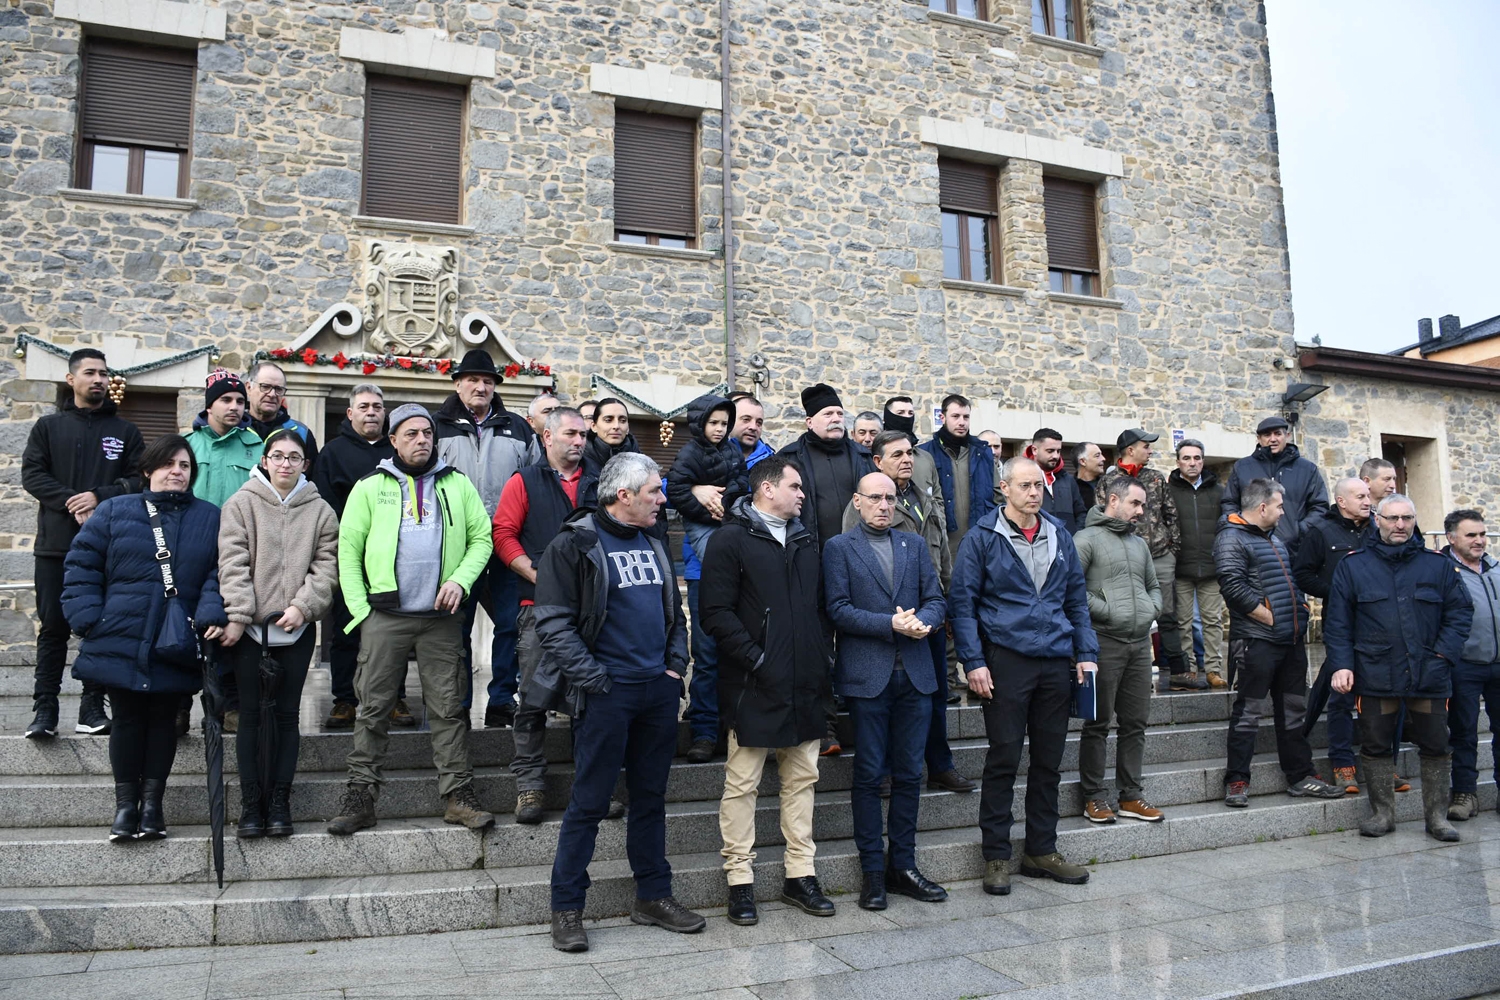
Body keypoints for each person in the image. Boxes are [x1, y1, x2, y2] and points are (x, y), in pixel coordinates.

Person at [533, 452, 703, 952]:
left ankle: (653, 896)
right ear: (623, 495)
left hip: (657, 690)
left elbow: (673, 613)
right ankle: (566, 908)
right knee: (587, 803)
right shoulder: (575, 542)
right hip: (607, 693)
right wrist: (596, 679)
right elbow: (553, 623)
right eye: (654, 490)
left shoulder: (653, 538)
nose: (662, 498)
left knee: (650, 799)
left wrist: (675, 668)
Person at [326, 404, 496, 837]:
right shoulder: (370, 486)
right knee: (373, 709)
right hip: (384, 616)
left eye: (427, 433)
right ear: (394, 440)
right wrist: (362, 612)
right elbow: (348, 550)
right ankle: (361, 797)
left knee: (448, 710)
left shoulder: (457, 484)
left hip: (440, 619)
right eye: (412, 434)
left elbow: (482, 538)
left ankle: (458, 797)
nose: (422, 440)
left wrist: (460, 580)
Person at [61, 435, 227, 842]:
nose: (177, 471)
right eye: (169, 464)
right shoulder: (115, 511)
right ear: (148, 470)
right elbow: (83, 565)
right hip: (121, 634)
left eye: (185, 466)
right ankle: (124, 808)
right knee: (127, 719)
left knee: (163, 722)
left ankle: (152, 807)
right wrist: (89, 619)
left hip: (176, 639)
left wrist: (209, 611)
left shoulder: (210, 517)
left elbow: (218, 572)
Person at [949, 457, 1097, 895]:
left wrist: (1085, 652)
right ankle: (996, 855)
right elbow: (963, 604)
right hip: (1006, 661)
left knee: (1049, 761)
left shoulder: (1059, 535)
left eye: (1039, 486)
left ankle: (1041, 851)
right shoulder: (981, 538)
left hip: (1055, 661)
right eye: (1025, 485)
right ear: (1004, 488)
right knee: (1004, 759)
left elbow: (1077, 601)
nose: (1034, 493)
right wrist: (973, 661)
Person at [701, 456, 837, 926]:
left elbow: (818, 610)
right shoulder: (729, 540)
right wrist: (758, 659)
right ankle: (739, 880)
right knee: (742, 785)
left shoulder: (805, 541)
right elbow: (715, 614)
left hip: (805, 684)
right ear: (767, 489)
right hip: (752, 684)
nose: (803, 495)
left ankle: (801, 875)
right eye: (795, 487)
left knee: (802, 781)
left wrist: (821, 659)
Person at [824, 472, 949, 910]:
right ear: (857, 502)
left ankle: (904, 866)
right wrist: (889, 624)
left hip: (915, 675)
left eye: (889, 498)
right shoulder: (839, 548)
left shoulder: (913, 545)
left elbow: (936, 598)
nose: (883, 505)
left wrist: (925, 622)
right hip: (868, 678)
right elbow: (837, 610)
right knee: (869, 773)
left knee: (911, 773)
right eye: (874, 498)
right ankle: (872, 872)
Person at [1327, 493, 1473, 841]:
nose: (1400, 525)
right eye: (1392, 518)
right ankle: (1382, 814)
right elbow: (1338, 623)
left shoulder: (1436, 566)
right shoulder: (1353, 565)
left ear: (1414, 520)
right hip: (1375, 673)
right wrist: (1342, 665)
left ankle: (1437, 818)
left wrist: (1443, 656)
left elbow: (1460, 613)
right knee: (1376, 744)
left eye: (1406, 518)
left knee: (1437, 744)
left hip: (1430, 672)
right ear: (1377, 519)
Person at [216, 429, 339, 838]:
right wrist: (241, 612)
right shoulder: (241, 504)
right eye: (278, 456)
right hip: (251, 631)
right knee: (251, 716)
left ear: (305, 464)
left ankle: (280, 802)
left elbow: (326, 566)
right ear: (265, 460)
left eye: (294, 457)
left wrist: (303, 607)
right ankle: (253, 805)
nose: (286, 464)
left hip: (296, 630)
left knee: (286, 717)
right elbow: (232, 562)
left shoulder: (320, 511)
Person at [22, 347, 143, 739]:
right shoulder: (48, 427)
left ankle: (92, 708)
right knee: (54, 629)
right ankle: (45, 711)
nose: (98, 380)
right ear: (71, 379)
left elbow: (139, 480)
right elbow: (32, 475)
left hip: (108, 549)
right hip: (55, 547)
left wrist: (98, 497)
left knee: (100, 629)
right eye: (90, 373)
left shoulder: (125, 432)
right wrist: (70, 501)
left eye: (104, 373)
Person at [842, 432, 972, 791]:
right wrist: (889, 622)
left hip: (927, 615)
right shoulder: (864, 507)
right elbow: (856, 564)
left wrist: (942, 606)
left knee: (934, 697)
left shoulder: (922, 495)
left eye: (911, 452)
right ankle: (883, 769)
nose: (907, 459)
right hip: (887, 625)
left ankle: (940, 764)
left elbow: (941, 550)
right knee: (885, 697)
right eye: (897, 453)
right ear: (877, 461)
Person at [492, 407, 598, 824]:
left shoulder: (601, 482)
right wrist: (539, 577)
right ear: (547, 436)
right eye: (571, 433)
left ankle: (591, 788)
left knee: (589, 699)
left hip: (591, 610)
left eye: (584, 435)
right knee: (533, 700)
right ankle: (530, 786)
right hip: (536, 608)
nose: (579, 441)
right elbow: (503, 534)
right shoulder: (524, 481)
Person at [1215, 479, 1344, 809]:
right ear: (1262, 508)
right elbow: (1233, 586)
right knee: (1248, 713)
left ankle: (1301, 776)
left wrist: (1297, 612)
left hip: (1290, 642)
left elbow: (1289, 581)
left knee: (1293, 712)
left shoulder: (1273, 538)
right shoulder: (1231, 537)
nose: (1284, 512)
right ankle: (1237, 780)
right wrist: (1269, 618)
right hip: (1258, 643)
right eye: (1279, 506)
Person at [434, 349, 539, 730]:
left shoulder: (518, 427)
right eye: (473, 380)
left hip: (508, 540)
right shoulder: (436, 426)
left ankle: (500, 700)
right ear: (457, 383)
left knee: (510, 623)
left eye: (488, 381)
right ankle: (458, 702)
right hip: (457, 545)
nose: (481, 387)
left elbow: (534, 481)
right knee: (456, 625)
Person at [778, 383, 874, 755]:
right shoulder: (791, 458)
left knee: (860, 645)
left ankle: (863, 726)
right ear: (809, 421)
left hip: (860, 566)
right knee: (817, 649)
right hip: (810, 568)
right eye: (828, 415)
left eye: (839, 414)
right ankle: (827, 728)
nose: (836, 419)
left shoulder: (863, 457)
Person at [1074, 476, 1164, 824]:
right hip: (1104, 643)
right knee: (1097, 723)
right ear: (1114, 500)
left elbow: (1154, 586)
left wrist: (1149, 608)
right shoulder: (1086, 540)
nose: (1141, 511)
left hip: (1139, 643)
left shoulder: (1139, 544)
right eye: (1136, 504)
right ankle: (1094, 796)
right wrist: (1109, 611)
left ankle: (1131, 795)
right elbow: (1070, 590)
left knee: (1135, 723)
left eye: (1143, 505)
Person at [313, 383, 401, 729]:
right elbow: (325, 503)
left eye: (377, 407)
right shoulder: (332, 453)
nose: (371, 412)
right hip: (349, 555)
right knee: (347, 629)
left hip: (393, 557)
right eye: (363, 406)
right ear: (350, 413)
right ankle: (344, 700)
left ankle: (394, 698)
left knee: (394, 630)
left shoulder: (398, 451)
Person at [666, 394, 749, 763]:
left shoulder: (733, 450)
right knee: (707, 654)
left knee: (737, 654)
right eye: (713, 423)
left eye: (723, 423)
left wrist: (728, 498)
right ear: (700, 423)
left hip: (732, 542)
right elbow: (675, 489)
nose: (719, 429)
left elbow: (742, 482)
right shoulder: (688, 453)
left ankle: (736, 727)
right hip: (701, 564)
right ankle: (703, 730)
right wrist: (702, 502)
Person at [1292, 476, 1372, 793]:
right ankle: (1343, 764)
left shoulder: (1380, 530)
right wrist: (1338, 593)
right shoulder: (1321, 532)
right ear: (1341, 501)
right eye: (1360, 496)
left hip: (1382, 625)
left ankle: (1382, 763)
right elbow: (1303, 574)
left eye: (1369, 495)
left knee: (1382, 696)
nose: (1368, 501)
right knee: (1342, 692)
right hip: (1342, 623)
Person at [1109, 428, 1193, 691]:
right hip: (1124, 557)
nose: (1151, 450)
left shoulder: (1156, 478)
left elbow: (1172, 515)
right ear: (1130, 450)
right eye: (1146, 445)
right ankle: (1127, 671)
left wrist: (1171, 548)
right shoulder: (1109, 482)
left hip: (1160, 556)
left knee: (1168, 613)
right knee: (1126, 612)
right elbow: (1105, 516)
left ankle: (1179, 671)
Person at [1442, 510, 1499, 821]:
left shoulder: (1496, 568)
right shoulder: (1443, 571)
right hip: (1464, 664)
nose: (1479, 541)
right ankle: (1465, 794)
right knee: (1463, 732)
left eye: (1482, 534)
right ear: (1452, 538)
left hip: (1499, 663)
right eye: (1471, 535)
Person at [1167, 438, 1227, 688]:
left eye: (1197, 458)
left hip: (1211, 566)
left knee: (1213, 620)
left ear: (1203, 460)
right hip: (1181, 566)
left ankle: (1213, 669)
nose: (1192, 463)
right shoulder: (1168, 489)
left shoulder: (1218, 491)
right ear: (1178, 461)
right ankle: (1188, 669)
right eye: (1187, 458)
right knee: (1183, 621)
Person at [1221, 416, 1328, 548]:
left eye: (1278, 434)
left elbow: (1320, 506)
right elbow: (1229, 502)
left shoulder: (1307, 469)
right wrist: (1243, 529)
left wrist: (1300, 530)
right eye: (1267, 435)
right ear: (1259, 439)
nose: (1273, 439)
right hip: (1252, 547)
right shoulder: (1242, 467)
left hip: (1296, 549)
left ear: (1287, 436)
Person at [187, 368, 262, 508]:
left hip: (239, 528)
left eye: (240, 402)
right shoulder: (186, 445)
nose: (234, 407)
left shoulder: (258, 448)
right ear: (209, 406)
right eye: (226, 400)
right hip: (194, 528)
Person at [243, 360, 319, 471]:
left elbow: (311, 480)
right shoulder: (234, 430)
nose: (272, 394)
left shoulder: (301, 433)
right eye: (265, 387)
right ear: (249, 388)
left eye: (279, 389)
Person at [1024, 428, 1088, 534]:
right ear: (1034, 450)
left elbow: (1081, 513)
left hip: (1068, 545)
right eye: (1050, 451)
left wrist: (1076, 538)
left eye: (1058, 451)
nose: (1056, 456)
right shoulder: (1021, 478)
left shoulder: (1068, 479)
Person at [729, 394, 775, 466]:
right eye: (746, 419)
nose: (753, 427)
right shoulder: (711, 459)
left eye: (759, 423)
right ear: (730, 421)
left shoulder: (772, 463)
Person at [1073, 441, 1106, 511]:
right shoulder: (1070, 487)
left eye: (1102, 455)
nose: (1103, 458)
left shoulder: (1108, 484)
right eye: (1097, 456)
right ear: (1083, 461)